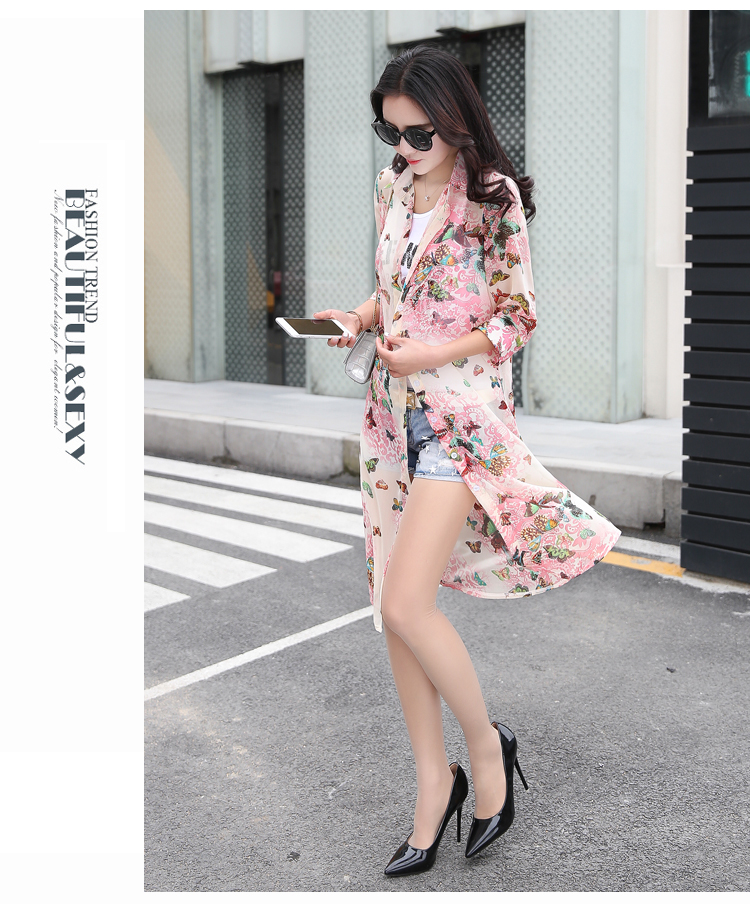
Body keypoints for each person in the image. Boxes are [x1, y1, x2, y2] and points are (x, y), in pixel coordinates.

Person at [313, 44, 621, 876]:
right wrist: (359, 317)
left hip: (461, 424)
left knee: (409, 603)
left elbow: (518, 317)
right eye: (391, 132)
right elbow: (394, 287)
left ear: (454, 122)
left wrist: (434, 353)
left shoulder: (493, 197)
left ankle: (486, 751)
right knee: (392, 611)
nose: (404, 148)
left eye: (419, 134)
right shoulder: (391, 188)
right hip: (393, 424)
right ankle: (433, 781)